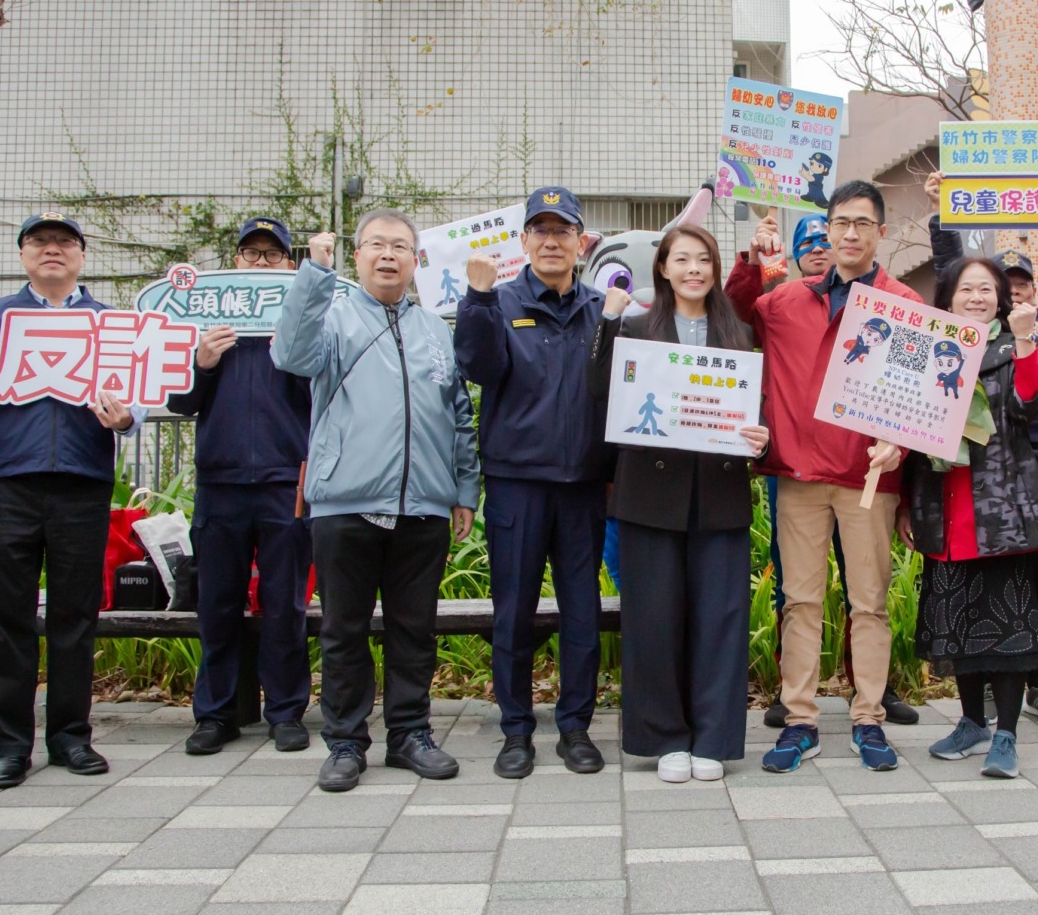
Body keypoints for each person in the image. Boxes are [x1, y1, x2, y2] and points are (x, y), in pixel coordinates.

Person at [271, 209, 479, 792]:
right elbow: (289, 354)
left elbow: (459, 415)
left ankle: (411, 734)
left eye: (401, 247)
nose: (388, 255)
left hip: (424, 506)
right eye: (376, 246)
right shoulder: (332, 317)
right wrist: (314, 272)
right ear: (358, 257)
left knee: (415, 629)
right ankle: (344, 741)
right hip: (345, 502)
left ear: (417, 261)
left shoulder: (438, 329)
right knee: (344, 629)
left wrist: (463, 489)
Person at [0, 213, 144, 789]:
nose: (52, 251)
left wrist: (128, 418)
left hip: (82, 481)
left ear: (82, 257)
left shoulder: (110, 322)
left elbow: (137, 398)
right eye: (39, 242)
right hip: (7, 480)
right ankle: (9, 745)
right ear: (23, 254)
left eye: (65, 243)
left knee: (75, 616)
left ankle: (70, 738)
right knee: (7, 616)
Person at [727, 179, 915, 774]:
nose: (851, 233)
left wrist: (901, 444)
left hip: (868, 479)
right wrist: (752, 264)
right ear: (827, 231)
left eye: (862, 223)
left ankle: (869, 719)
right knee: (800, 601)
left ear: (880, 233)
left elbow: (925, 398)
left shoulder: (903, 305)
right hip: (801, 474)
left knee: (869, 605)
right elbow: (732, 318)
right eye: (841, 223)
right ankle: (800, 719)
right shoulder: (786, 300)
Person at [923, 171, 1038, 729]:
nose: (1003, 292)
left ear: (1024, 291)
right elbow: (948, 274)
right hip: (973, 482)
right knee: (983, 592)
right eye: (983, 286)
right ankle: (980, 701)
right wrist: (942, 218)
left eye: (1012, 284)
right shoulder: (953, 342)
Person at [589, 225, 767, 783]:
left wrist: (763, 437)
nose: (694, 269)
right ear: (662, 268)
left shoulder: (737, 332)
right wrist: (607, 322)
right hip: (650, 495)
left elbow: (759, 406)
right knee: (654, 617)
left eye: (704, 259)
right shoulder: (636, 328)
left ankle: (713, 738)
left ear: (714, 269)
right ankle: (664, 737)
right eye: (681, 259)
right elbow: (600, 392)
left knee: (721, 618)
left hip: (719, 493)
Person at [455, 187, 612, 780]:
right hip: (517, 484)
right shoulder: (496, 304)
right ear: (522, 242)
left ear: (580, 242)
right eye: (539, 230)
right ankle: (515, 731)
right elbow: (476, 367)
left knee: (581, 613)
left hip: (583, 487)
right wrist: (475, 297)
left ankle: (575, 727)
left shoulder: (603, 309)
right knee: (513, 612)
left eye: (562, 230)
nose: (551, 240)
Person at [898, 258, 1038, 779]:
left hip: (998, 509)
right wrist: (905, 503)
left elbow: (1033, 405)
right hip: (945, 505)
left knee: (1007, 625)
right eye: (966, 288)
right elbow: (907, 429)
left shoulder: (1014, 348)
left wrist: (1028, 342)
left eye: (987, 289)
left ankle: (1006, 732)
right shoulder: (926, 349)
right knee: (958, 621)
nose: (977, 297)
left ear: (1001, 298)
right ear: (948, 298)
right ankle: (970, 722)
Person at [168, 218, 313, 756]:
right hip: (220, 482)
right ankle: (215, 714)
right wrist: (202, 363)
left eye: (271, 256)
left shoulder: (299, 323)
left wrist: (293, 349)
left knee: (285, 604)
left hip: (285, 481)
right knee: (217, 603)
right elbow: (178, 402)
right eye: (250, 254)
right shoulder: (204, 325)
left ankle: (285, 711)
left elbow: (322, 395)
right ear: (234, 262)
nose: (259, 263)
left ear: (288, 266)